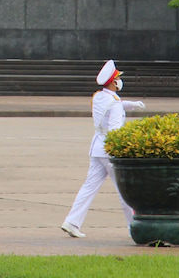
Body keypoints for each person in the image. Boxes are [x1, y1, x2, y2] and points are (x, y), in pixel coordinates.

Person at [60, 59, 145, 239]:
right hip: (110, 152)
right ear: (113, 82)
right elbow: (115, 129)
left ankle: (72, 222)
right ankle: (136, 228)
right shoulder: (113, 103)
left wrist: (132, 104)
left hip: (97, 148)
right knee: (125, 191)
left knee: (89, 187)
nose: (119, 81)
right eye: (118, 79)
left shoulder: (99, 97)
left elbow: (116, 104)